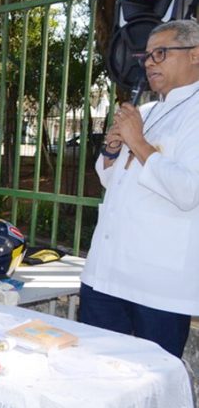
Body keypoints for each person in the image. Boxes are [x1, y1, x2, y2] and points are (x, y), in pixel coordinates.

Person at [80, 19, 199, 358]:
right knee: (93, 372)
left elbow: (189, 191)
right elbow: (110, 180)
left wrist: (139, 142)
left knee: (151, 383)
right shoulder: (147, 110)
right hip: (105, 272)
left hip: (157, 283)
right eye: (146, 55)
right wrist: (113, 149)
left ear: (195, 55)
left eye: (160, 53)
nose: (148, 62)